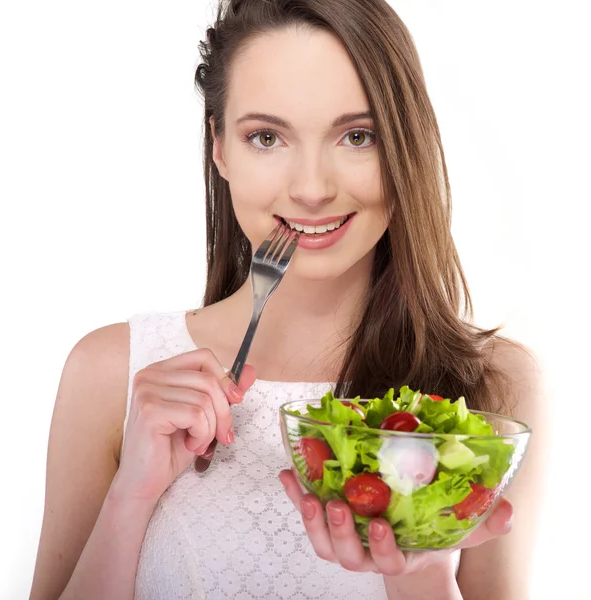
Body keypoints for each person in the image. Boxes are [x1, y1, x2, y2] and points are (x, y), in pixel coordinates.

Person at [30, 0, 547, 598]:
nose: (311, 188)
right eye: (267, 137)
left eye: (357, 135)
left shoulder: (493, 390)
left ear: (405, 145)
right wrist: (132, 498)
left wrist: (421, 568)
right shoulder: (112, 373)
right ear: (219, 146)